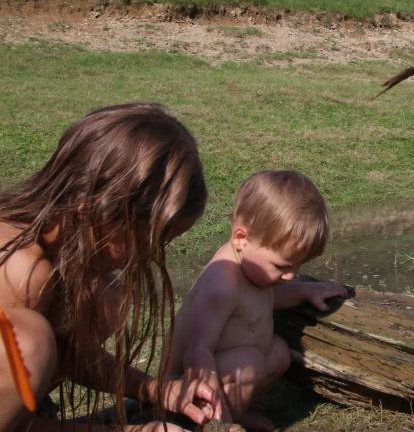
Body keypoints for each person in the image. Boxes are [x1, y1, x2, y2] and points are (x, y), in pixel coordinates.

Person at [0, 102, 218, 431]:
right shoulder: (20, 271)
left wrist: (155, 389)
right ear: (100, 207)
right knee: (31, 341)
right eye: (154, 240)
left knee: (100, 300)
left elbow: (70, 355)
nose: (153, 256)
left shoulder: (60, 256)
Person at [169, 170, 350, 431]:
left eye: (298, 267)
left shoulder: (254, 267)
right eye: (281, 266)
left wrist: (305, 291)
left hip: (230, 367)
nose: (290, 276)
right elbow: (197, 349)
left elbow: (265, 296)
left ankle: (236, 412)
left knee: (279, 353)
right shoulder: (222, 285)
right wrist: (204, 397)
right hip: (190, 379)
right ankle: (215, 423)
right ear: (241, 238)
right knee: (251, 361)